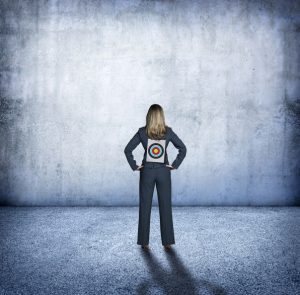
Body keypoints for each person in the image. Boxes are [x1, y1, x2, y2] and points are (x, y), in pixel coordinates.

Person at [124, 104, 187, 251]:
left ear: (149, 116)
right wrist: (174, 165)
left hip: (147, 172)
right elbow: (183, 148)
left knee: (145, 206)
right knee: (165, 206)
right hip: (164, 171)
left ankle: (144, 242)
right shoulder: (168, 132)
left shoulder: (142, 132)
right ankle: (167, 242)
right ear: (162, 116)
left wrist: (135, 166)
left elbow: (127, 150)